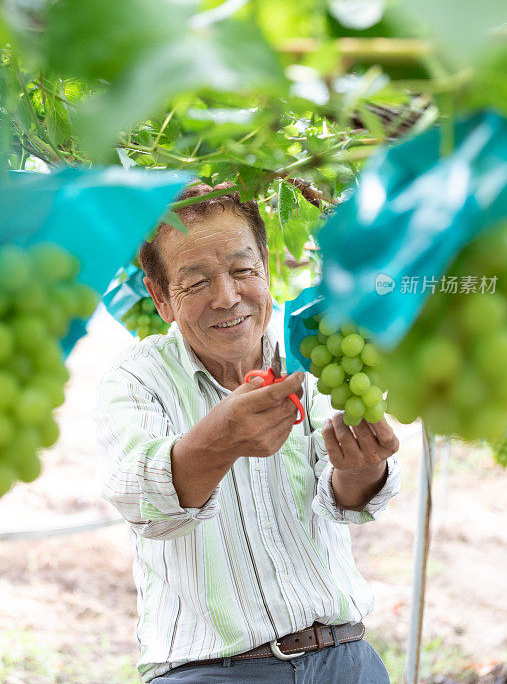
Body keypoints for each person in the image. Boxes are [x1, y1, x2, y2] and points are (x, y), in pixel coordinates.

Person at [95, 182, 401, 684]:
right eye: (196, 283)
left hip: (347, 658)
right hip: (209, 672)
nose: (227, 296)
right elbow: (142, 498)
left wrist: (362, 464)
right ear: (161, 297)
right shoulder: (136, 378)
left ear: (266, 265)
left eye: (242, 271)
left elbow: (347, 498)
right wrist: (221, 439)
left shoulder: (312, 354)